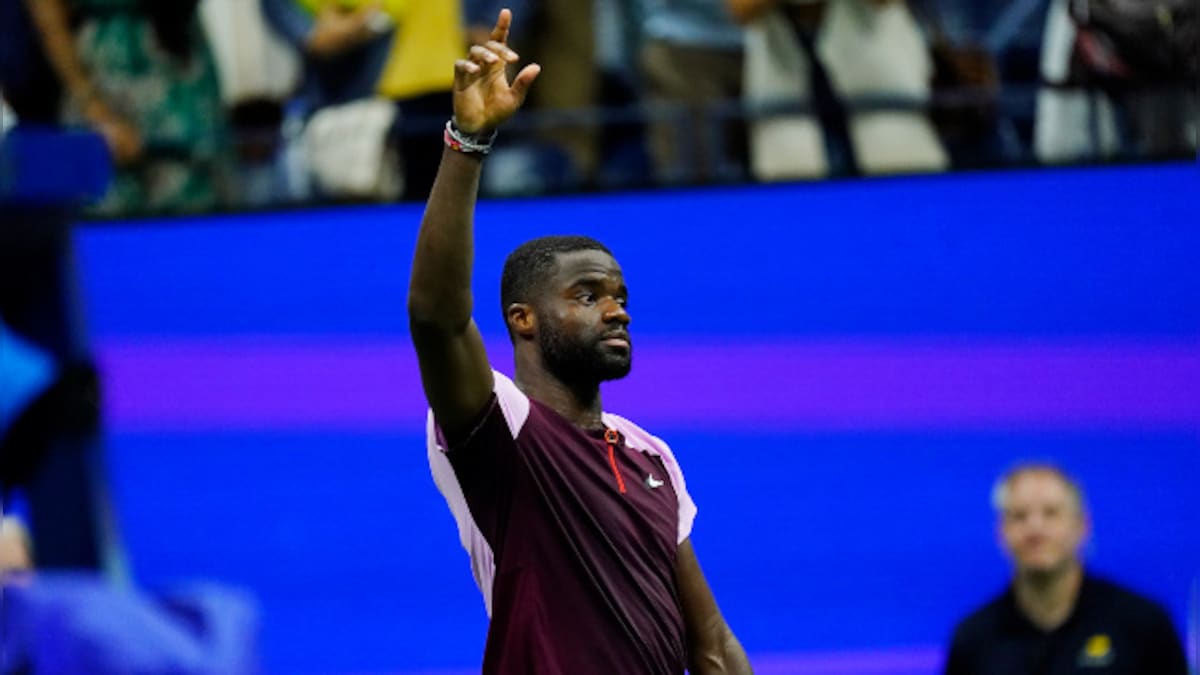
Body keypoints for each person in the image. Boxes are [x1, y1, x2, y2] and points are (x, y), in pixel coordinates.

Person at [408, 10, 753, 673]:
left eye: (621, 297)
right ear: (522, 319)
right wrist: (465, 144)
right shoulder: (498, 431)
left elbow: (711, 645)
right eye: (589, 295)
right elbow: (436, 317)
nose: (617, 312)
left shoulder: (652, 455)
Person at [944, 463, 1188, 675]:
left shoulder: (1142, 625)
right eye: (1019, 516)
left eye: (1051, 513)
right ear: (1001, 532)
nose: (1035, 530)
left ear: (1082, 525)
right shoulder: (974, 639)